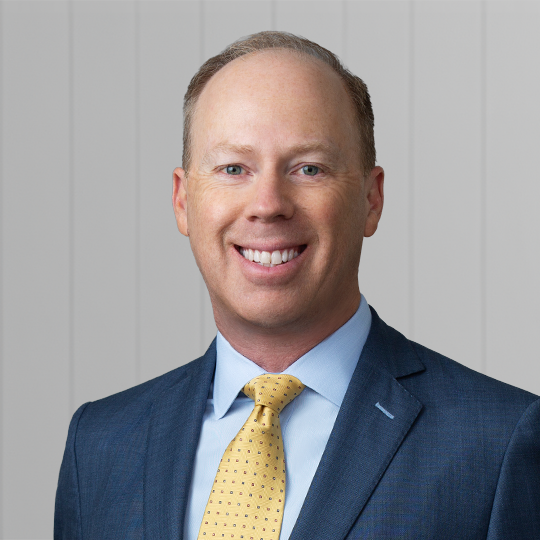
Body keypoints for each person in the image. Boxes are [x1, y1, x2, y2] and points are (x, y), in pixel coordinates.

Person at [54, 31, 540, 539]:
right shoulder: (100, 445)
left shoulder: (498, 444)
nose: (268, 204)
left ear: (371, 200)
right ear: (182, 201)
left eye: (309, 168)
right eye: (233, 168)